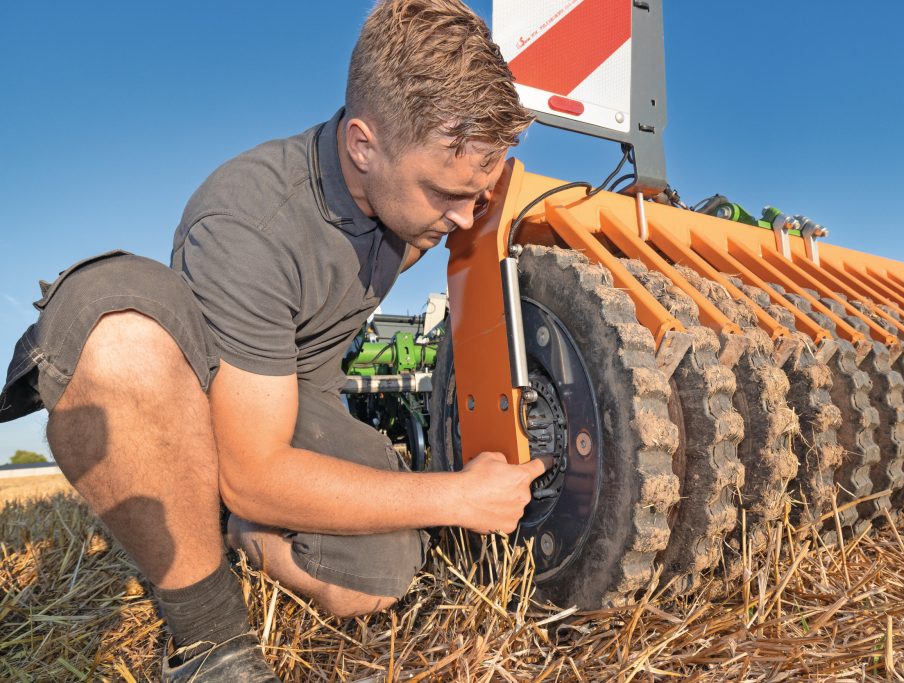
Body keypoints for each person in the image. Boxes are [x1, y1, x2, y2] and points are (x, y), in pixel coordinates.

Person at [0, 0, 542, 680]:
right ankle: (208, 635)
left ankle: (236, 513)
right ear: (363, 145)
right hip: (208, 390)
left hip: (294, 388)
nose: (466, 217)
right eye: (444, 193)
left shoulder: (409, 205)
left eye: (479, 194)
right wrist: (459, 495)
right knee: (120, 347)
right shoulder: (249, 224)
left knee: (375, 573)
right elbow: (257, 472)